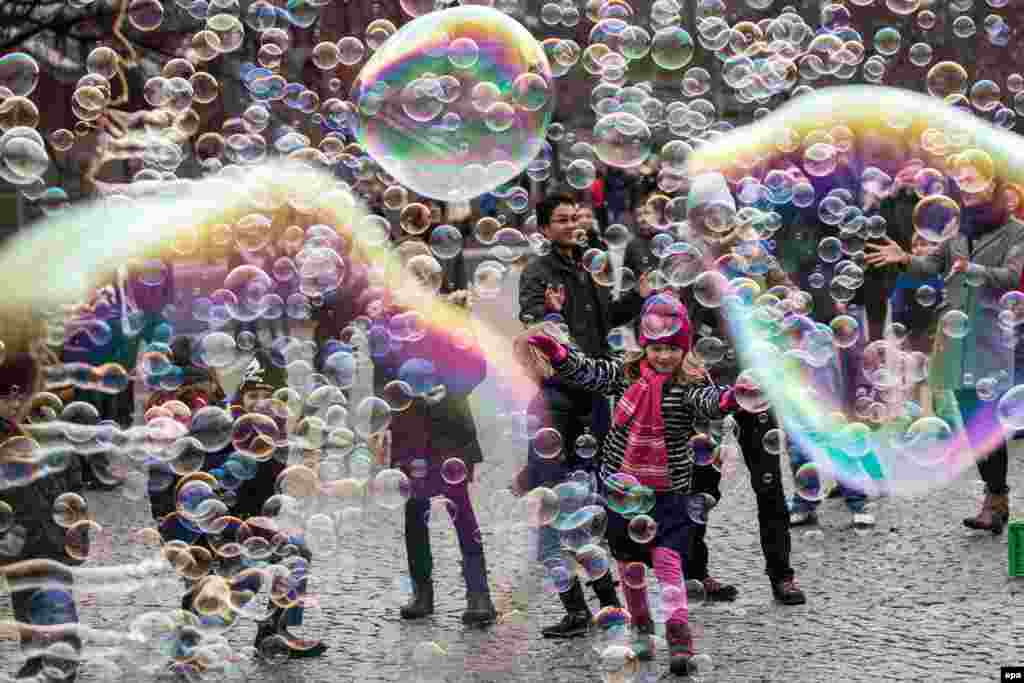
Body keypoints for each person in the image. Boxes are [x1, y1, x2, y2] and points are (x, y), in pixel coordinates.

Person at [528, 293, 737, 676]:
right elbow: (587, 371)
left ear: (684, 348)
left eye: (672, 349)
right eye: (656, 348)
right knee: (630, 568)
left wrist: (728, 399)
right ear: (644, 345)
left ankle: (678, 637)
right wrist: (558, 354)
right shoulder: (625, 375)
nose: (663, 356)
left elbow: (708, 402)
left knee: (669, 561)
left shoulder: (688, 383)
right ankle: (641, 629)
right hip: (621, 488)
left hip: (668, 490)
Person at [516, 193, 645, 637]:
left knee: (592, 505)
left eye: (576, 216)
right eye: (562, 219)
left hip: (595, 397)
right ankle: (573, 607)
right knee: (552, 506)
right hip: (557, 400)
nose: (573, 223)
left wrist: (638, 298)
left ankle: (609, 604)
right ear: (545, 229)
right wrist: (548, 313)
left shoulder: (589, 270)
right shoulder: (537, 273)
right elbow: (535, 329)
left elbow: (608, 321)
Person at [866, 179, 1024, 533]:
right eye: (965, 191)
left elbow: (1012, 277)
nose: (968, 196)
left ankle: (995, 499)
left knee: (988, 422)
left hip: (990, 336)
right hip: (955, 340)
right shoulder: (957, 230)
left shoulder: (1016, 232)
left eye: (976, 190)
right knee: (972, 423)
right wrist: (905, 259)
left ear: (993, 193)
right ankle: (995, 497)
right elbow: (932, 267)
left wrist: (973, 269)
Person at [370, 288, 498, 626]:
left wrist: (450, 388)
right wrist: (380, 422)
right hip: (409, 429)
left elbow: (477, 366)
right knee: (414, 512)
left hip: (449, 429)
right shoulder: (386, 325)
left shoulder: (447, 318)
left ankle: (479, 594)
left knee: (461, 509)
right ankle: (422, 593)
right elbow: (382, 376)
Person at [0, 306, 84, 681]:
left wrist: (75, 523)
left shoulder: (50, 430)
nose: (14, 403)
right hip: (13, 536)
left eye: (21, 395)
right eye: (5, 397)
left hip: (51, 532)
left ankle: (64, 659)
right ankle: (35, 655)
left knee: (55, 598)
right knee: (24, 600)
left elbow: (72, 474)